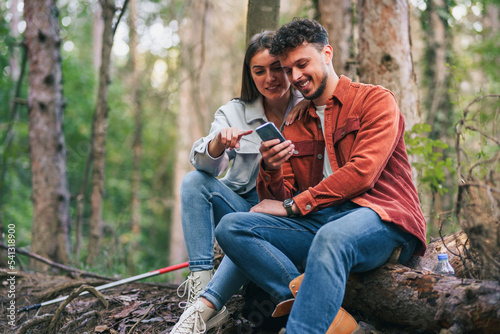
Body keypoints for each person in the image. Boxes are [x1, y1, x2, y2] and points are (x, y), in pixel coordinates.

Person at [214, 18, 427, 334]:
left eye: (302, 64)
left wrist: (294, 206)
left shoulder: (375, 100)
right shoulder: (295, 122)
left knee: (332, 236)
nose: (295, 77)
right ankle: (322, 311)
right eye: (288, 70)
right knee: (231, 227)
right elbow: (277, 198)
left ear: (327, 53)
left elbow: (362, 173)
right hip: (322, 221)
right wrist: (270, 167)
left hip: (382, 217)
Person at [171, 30, 305, 333]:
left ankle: (206, 308)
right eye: (259, 71)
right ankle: (200, 289)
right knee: (194, 182)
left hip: (286, 214)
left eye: (276, 68)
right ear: (250, 74)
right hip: (239, 206)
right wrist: (219, 143)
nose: (269, 78)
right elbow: (204, 164)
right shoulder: (234, 111)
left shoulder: (307, 108)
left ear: (289, 68)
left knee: (247, 224)